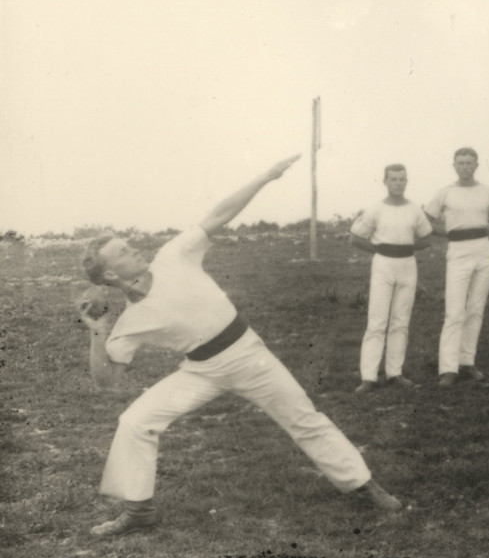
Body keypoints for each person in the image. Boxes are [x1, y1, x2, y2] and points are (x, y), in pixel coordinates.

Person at [78, 155, 402, 538]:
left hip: (249, 355)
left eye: (128, 243)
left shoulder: (173, 256)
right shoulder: (130, 322)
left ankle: (364, 485)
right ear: (111, 274)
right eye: (122, 251)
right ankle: (139, 510)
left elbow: (220, 213)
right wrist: (97, 331)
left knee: (303, 418)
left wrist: (266, 176)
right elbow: (106, 380)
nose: (133, 249)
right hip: (201, 371)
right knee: (134, 420)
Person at [348, 164, 432, 393]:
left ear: (407, 181)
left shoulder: (415, 209)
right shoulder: (376, 209)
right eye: (393, 179)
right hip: (383, 265)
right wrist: (378, 248)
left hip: (407, 266)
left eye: (402, 179)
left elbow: (427, 237)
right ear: (385, 182)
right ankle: (369, 377)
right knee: (377, 321)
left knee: (401, 320)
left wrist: (407, 247)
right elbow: (356, 238)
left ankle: (395, 373)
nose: (398, 183)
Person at [426, 147, 489, 387]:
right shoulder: (445, 193)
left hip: (483, 251)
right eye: (461, 163)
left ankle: (467, 362)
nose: (465, 167)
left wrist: (479, 234)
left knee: (476, 308)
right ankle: (449, 367)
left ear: (477, 165)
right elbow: (427, 220)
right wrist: (449, 232)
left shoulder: (487, 192)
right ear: (454, 165)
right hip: (458, 251)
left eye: (470, 163)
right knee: (455, 311)